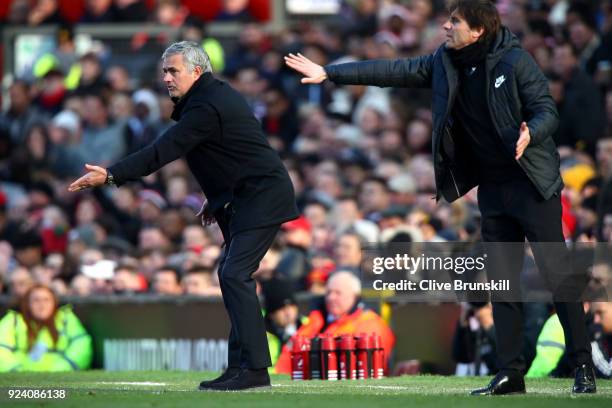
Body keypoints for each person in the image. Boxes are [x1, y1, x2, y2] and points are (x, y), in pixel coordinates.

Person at [286, 0, 595, 395]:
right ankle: (510, 372)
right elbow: (392, 72)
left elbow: (546, 109)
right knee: (502, 283)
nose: (446, 27)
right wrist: (329, 73)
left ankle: (583, 365)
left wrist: (530, 133)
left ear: (478, 30)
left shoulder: (516, 61)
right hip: (494, 188)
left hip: (532, 184)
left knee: (558, 277)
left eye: (455, 21)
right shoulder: (444, 62)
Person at [68, 41, 298, 391]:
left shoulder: (206, 105)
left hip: (261, 196)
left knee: (235, 274)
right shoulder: (211, 97)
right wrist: (217, 198)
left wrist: (112, 174)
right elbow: (233, 151)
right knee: (231, 274)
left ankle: (253, 371)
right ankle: (240, 367)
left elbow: (164, 150)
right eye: (164, 71)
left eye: (173, 70)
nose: (166, 78)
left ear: (197, 71)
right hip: (245, 196)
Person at [0, 284, 92, 372]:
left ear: (54, 302)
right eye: (36, 300)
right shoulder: (13, 319)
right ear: (27, 303)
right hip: (20, 379)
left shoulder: (66, 318)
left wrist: (59, 371)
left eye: (47, 300)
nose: (42, 305)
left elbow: (81, 345)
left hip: (60, 378)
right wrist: (17, 372)